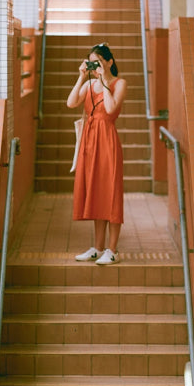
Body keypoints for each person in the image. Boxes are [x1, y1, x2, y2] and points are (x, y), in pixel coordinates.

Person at [66, 43, 127, 265]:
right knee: (95, 192)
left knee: (110, 192)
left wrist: (103, 81)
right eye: (92, 62)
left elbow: (110, 109)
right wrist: (82, 77)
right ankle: (98, 247)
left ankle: (113, 250)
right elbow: (71, 103)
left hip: (108, 141)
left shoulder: (119, 84)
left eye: (99, 62)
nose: (95, 66)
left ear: (109, 62)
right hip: (89, 142)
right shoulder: (89, 83)